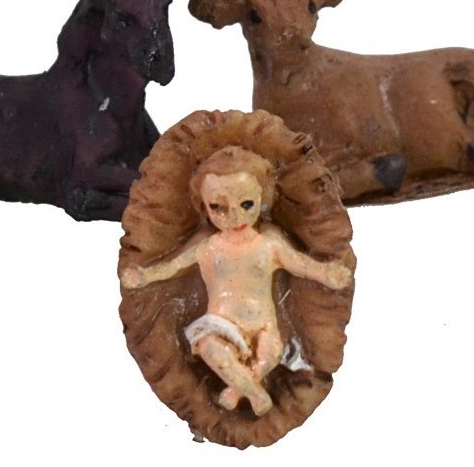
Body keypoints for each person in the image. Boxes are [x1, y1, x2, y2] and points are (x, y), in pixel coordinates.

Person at [122, 145, 352, 415]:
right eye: (218, 208)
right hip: (219, 325)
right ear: (204, 207)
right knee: (212, 350)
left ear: (262, 197)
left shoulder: (268, 245)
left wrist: (326, 273)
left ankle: (239, 388)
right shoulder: (209, 248)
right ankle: (257, 394)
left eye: (246, 205)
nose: (235, 217)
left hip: (264, 326)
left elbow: (300, 264)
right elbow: (173, 267)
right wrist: (145, 275)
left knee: (270, 354)